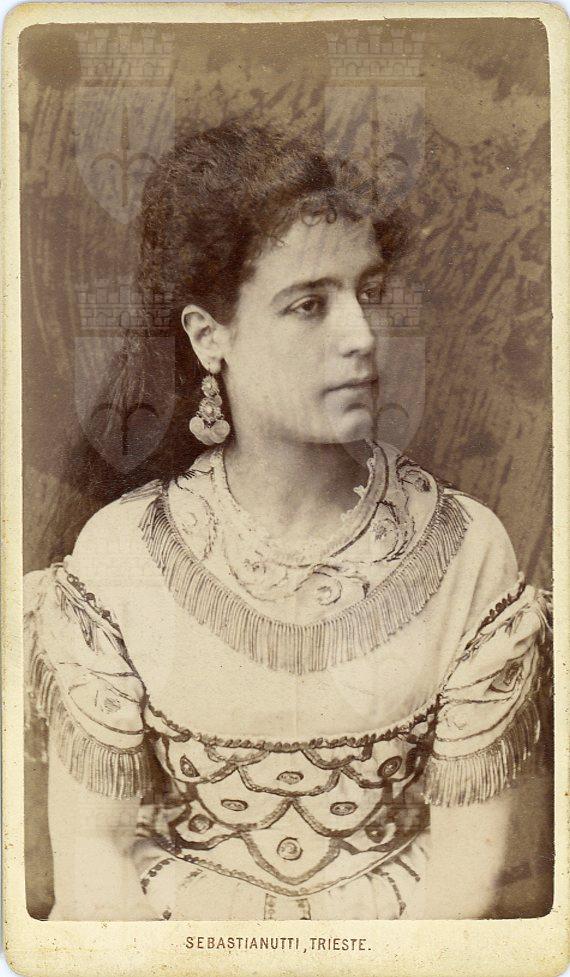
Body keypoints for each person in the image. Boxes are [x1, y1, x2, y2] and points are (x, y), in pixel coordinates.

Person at [24, 121, 552, 922]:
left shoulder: (467, 551)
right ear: (210, 337)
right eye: (309, 305)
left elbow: (462, 880)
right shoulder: (120, 558)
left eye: (369, 293)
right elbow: (95, 866)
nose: (361, 337)